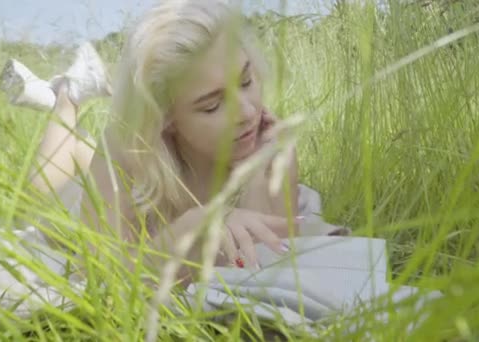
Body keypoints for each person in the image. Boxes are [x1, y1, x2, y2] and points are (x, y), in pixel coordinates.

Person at [28, 0, 345, 286]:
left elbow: (262, 271)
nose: (248, 112)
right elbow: (102, 276)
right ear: (166, 117)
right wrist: (191, 229)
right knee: (42, 190)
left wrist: (257, 183)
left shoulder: (270, 144)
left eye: (246, 81)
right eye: (212, 105)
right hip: (104, 194)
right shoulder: (126, 147)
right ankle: (67, 96)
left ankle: (81, 141)